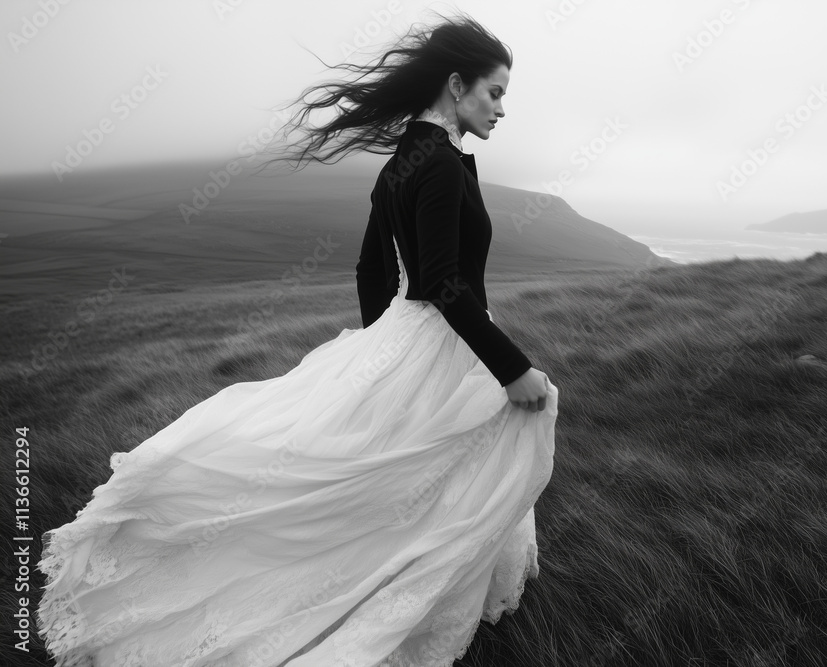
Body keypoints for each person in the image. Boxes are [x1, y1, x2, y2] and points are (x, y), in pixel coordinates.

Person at [34, 11, 558, 667]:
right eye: (496, 91)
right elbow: (448, 284)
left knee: (395, 477)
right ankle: (374, 601)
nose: (502, 108)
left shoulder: (400, 162)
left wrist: (384, 353)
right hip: (441, 341)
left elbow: (373, 269)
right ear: (457, 85)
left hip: (407, 337)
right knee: (440, 473)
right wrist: (512, 369)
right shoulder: (444, 166)